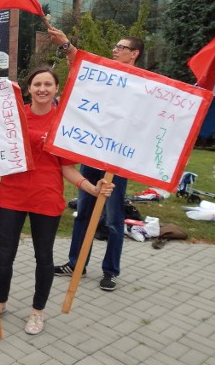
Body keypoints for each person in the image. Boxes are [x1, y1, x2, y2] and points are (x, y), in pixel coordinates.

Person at [0, 67, 114, 334]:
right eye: (37, 84)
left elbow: (68, 168)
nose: (42, 88)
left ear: (56, 88)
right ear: (29, 88)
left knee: (44, 258)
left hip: (46, 199)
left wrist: (91, 189)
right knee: (4, 256)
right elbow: (1, 157)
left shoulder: (62, 123)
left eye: (47, 84)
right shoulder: (15, 117)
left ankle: (37, 312)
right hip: (11, 197)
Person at [48, 29, 144, 292]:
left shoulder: (143, 84)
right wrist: (66, 44)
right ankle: (75, 263)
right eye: (115, 45)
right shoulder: (106, 73)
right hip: (92, 154)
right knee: (83, 213)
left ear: (134, 53)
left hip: (116, 162)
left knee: (114, 219)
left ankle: (110, 271)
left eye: (121, 47)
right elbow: (81, 64)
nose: (114, 49)